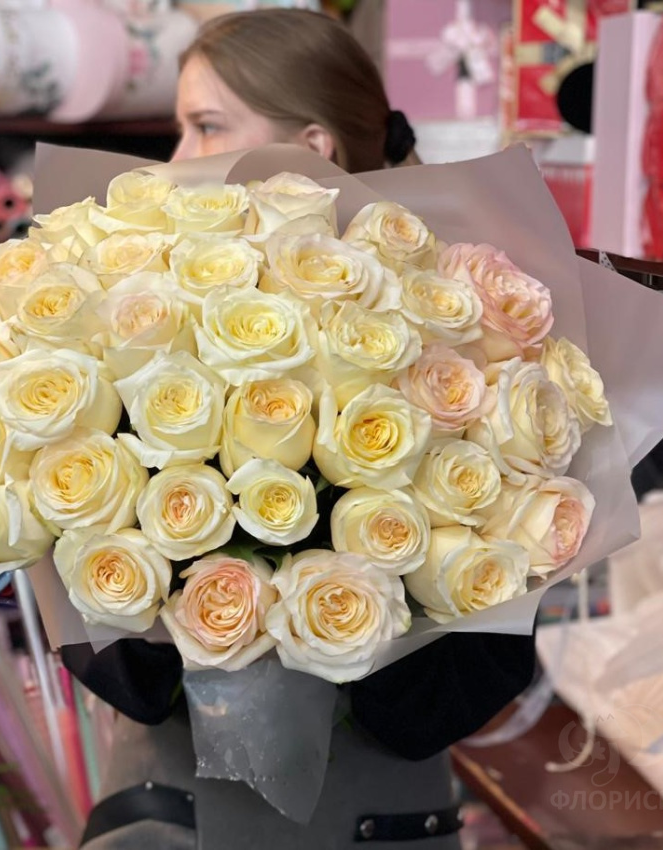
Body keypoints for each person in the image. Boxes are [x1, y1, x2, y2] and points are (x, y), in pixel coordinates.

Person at [67, 10, 537, 849]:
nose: (175, 160)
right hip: (174, 820)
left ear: (311, 151)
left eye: (207, 126)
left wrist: (351, 608)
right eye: (180, 127)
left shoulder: (464, 358)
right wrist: (174, 584)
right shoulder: (136, 329)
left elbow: (470, 681)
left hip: (373, 822)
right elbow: (119, 668)